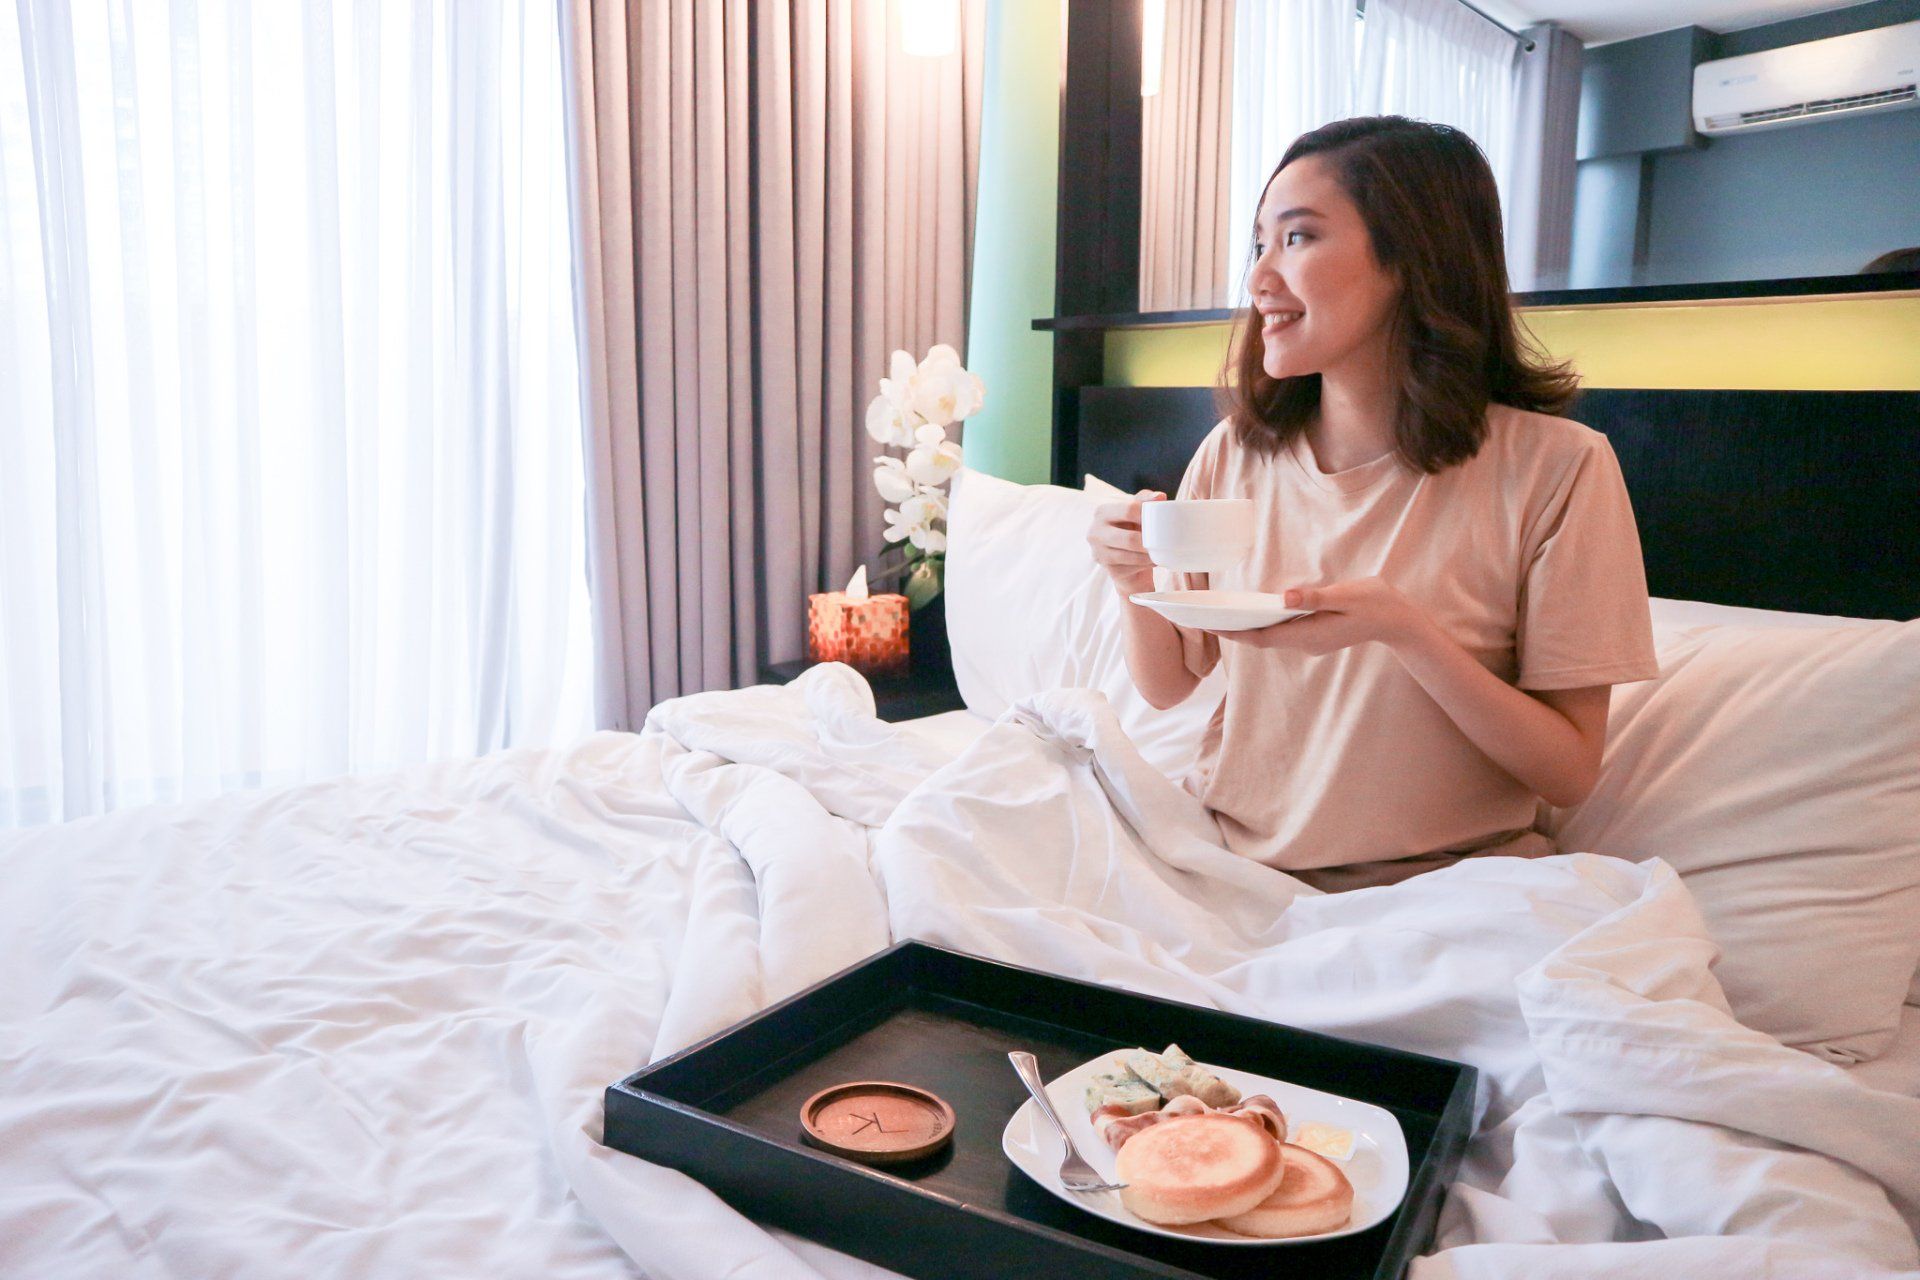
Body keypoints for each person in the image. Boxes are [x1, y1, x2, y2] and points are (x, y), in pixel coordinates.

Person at [1087, 116, 1660, 892]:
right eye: (1259, 244)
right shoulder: (1235, 452)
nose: (1259, 280)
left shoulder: (1557, 470)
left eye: (1297, 239)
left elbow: (1567, 770)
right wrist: (1133, 581)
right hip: (1227, 867)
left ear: (1412, 258)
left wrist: (1408, 633)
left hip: (1446, 888)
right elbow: (1172, 682)